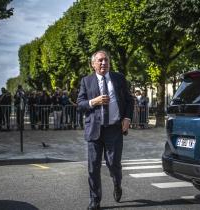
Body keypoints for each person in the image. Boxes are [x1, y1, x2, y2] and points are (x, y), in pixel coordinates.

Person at [77, 50, 133, 210]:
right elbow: (80, 104)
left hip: (114, 129)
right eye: (100, 60)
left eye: (106, 60)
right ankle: (95, 200)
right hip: (94, 130)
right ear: (93, 64)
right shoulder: (86, 81)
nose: (103, 63)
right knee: (93, 167)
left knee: (114, 164)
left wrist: (127, 119)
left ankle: (117, 184)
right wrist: (93, 101)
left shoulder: (119, 78)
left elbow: (129, 100)